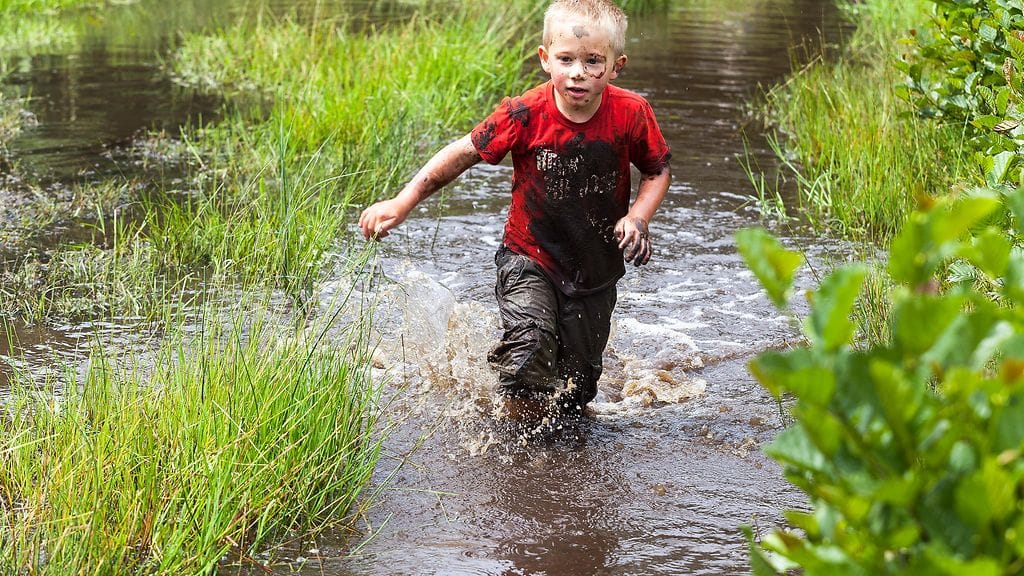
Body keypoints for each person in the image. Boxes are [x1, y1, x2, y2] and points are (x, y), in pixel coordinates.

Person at [359, 0, 671, 423]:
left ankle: (554, 438)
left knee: (577, 389)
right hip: (529, 255)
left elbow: (657, 170)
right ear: (546, 60)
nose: (578, 72)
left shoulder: (632, 113)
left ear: (616, 66)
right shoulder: (524, 114)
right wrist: (403, 201)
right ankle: (515, 435)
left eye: (593, 61)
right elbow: (463, 153)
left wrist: (638, 217)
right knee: (528, 351)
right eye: (566, 59)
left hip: (595, 268)